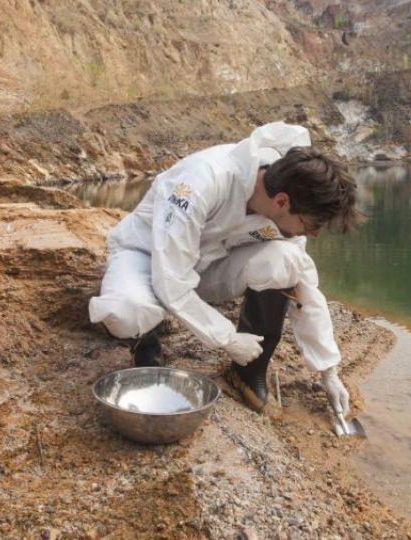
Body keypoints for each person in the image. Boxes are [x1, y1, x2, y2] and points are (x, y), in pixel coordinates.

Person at [89, 122, 361, 416]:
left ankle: (248, 372)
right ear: (282, 201)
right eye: (311, 226)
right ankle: (145, 339)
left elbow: (305, 287)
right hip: (146, 255)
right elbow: (171, 280)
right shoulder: (202, 180)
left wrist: (328, 370)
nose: (314, 235)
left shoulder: (285, 208)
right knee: (126, 310)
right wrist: (228, 339)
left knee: (287, 261)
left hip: (207, 266)